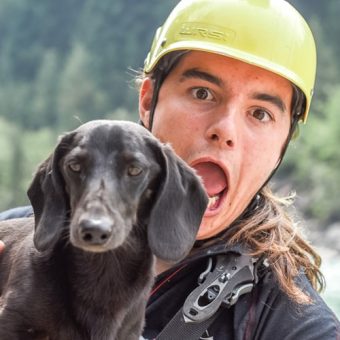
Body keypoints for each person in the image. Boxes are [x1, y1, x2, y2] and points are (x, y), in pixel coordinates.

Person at [1, 0, 339, 338]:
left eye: (260, 113)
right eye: (202, 93)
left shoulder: (297, 327)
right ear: (148, 100)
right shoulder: (21, 237)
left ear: (284, 143)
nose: (226, 130)